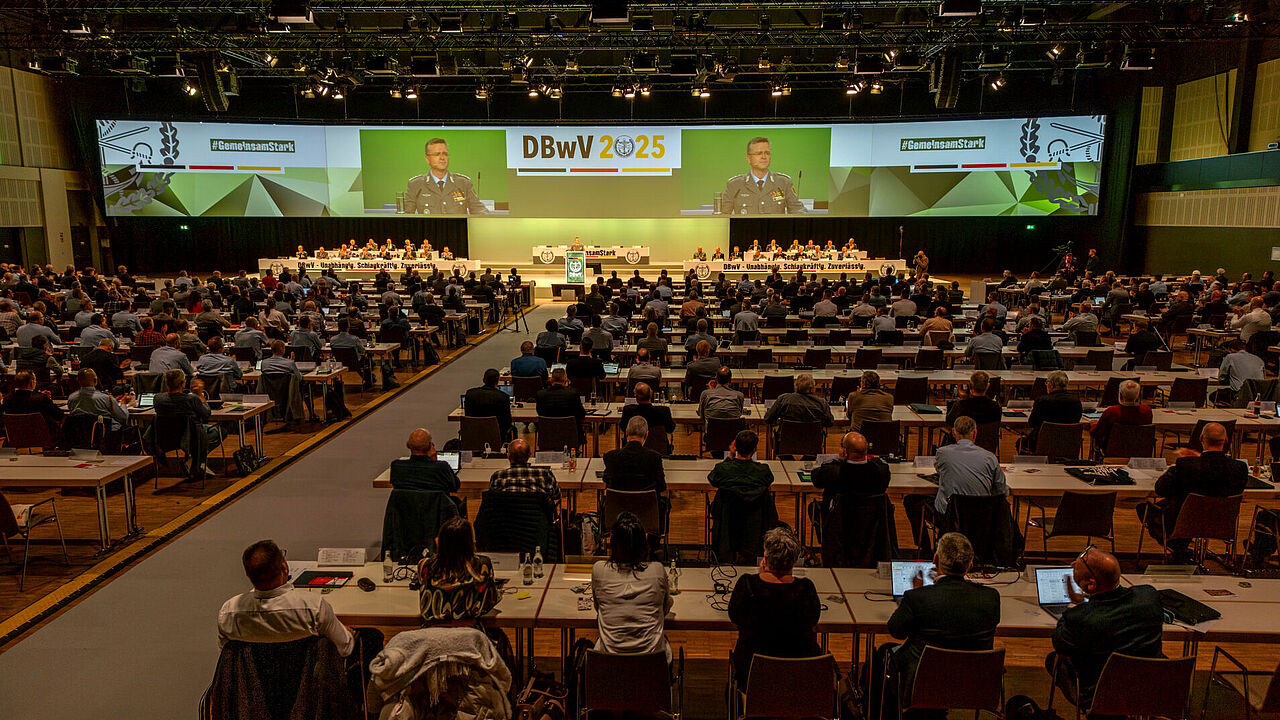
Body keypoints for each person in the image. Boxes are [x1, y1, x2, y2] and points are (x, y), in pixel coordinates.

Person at [880, 533, 999, 715]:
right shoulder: (991, 598)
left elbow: (896, 630)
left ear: (935, 560)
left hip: (924, 682)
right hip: (973, 685)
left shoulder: (918, 598)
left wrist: (915, 596)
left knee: (883, 653)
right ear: (970, 565)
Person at [1044, 547, 1163, 711]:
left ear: (1090, 585)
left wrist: (1075, 605)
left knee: (1054, 659)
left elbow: (1060, 643)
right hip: (1153, 687)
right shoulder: (1149, 596)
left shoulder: (1080, 618)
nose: (1073, 564)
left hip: (1101, 696)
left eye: (1080, 563)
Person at [218, 539, 355, 655]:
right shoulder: (313, 607)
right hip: (307, 684)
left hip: (254, 686)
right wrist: (346, 633)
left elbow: (228, 656)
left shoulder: (229, 612)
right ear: (284, 567)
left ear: (247, 575)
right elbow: (345, 648)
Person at [727, 527, 821, 688]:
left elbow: (735, 617)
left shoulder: (747, 585)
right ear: (794, 561)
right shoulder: (806, 589)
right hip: (800, 682)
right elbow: (812, 620)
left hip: (754, 680)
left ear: (765, 557)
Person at [1137, 422, 1247, 558]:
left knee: (1145, 508)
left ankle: (1177, 545)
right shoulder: (1239, 468)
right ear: (1226, 441)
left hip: (1186, 522)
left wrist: (1180, 465)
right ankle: (1180, 547)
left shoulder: (1186, 465)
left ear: (1201, 438)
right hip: (1221, 522)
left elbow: (1160, 489)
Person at [905, 417, 1007, 552]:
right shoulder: (990, 457)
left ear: (953, 433)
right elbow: (1002, 490)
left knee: (911, 500)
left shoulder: (943, 453)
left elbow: (940, 469)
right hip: (981, 516)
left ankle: (925, 548)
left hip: (949, 516)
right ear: (975, 433)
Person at [592, 512, 674, 659]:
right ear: (644, 543)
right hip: (652, 670)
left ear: (613, 543)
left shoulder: (599, 570)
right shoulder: (657, 570)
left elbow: (598, 608)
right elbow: (665, 607)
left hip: (610, 669)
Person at [417, 517, 499, 621]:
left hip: (431, 634)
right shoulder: (482, 565)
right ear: (469, 542)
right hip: (471, 634)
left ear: (440, 541)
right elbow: (491, 600)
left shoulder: (424, 565)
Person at [154, 369, 223, 477]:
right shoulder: (192, 398)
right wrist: (200, 394)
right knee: (219, 431)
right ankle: (197, 462)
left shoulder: (158, 399)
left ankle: (195, 460)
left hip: (167, 438)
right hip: (191, 436)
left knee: (200, 433)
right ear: (183, 383)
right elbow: (206, 414)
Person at [403, 138, 489, 215]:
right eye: (437, 154)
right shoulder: (416, 185)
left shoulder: (463, 183)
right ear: (427, 159)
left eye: (445, 154)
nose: (442, 158)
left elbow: (479, 210)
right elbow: (406, 216)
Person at [724, 137, 806, 215]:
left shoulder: (783, 182)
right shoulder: (734, 185)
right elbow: (722, 216)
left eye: (767, 153)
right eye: (758, 153)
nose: (764, 157)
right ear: (749, 158)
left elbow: (798, 211)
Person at [810, 431, 890, 504]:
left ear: (844, 451)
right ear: (866, 450)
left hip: (838, 517)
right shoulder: (882, 471)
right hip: (872, 518)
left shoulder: (832, 471)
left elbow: (816, 480)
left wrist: (841, 460)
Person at [487, 439, 561, 511]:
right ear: (529, 455)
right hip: (538, 521)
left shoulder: (498, 476)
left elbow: (492, 501)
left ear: (508, 456)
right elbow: (556, 495)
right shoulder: (544, 474)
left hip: (505, 520)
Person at [602, 416, 666, 493]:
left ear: (626, 433)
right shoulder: (655, 458)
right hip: (647, 504)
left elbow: (606, 480)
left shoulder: (610, 456)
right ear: (646, 434)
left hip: (618, 504)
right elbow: (662, 486)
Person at [389, 428, 460, 494]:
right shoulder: (441, 467)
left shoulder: (396, 466)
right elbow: (455, 487)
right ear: (430, 445)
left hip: (405, 506)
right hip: (436, 506)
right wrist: (434, 461)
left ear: (407, 445)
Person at [1025, 370, 1082, 451]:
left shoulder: (1042, 401)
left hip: (1043, 443)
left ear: (1051, 385)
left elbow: (1032, 423)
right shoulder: (1076, 401)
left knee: (1022, 442)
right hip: (1069, 444)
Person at [1090, 380, 1151, 451]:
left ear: (1120, 395)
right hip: (1139, 448)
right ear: (1138, 395)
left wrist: (1093, 425)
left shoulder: (1111, 411)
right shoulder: (1146, 411)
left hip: (1112, 448)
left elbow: (1097, 433)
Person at [708, 430, 774, 493]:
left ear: (735, 446)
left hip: (728, 504)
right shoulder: (763, 471)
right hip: (757, 505)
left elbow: (712, 479)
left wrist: (730, 456)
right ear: (754, 450)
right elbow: (768, 481)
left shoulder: (722, 469)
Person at [535, 368, 586, 444]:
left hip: (547, 436)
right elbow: (581, 414)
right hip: (570, 436)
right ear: (566, 380)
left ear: (551, 380)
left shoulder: (540, 394)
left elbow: (539, 412)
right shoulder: (572, 393)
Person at [764, 373, 834, 427]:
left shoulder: (783, 399)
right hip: (812, 443)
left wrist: (779, 422)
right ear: (812, 389)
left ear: (795, 387)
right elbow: (830, 422)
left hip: (786, 442)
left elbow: (768, 418)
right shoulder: (822, 403)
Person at [464, 368, 514, 442]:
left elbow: (467, 416)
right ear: (497, 382)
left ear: (483, 380)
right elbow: (507, 421)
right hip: (497, 437)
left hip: (474, 436)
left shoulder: (470, 394)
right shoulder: (503, 397)